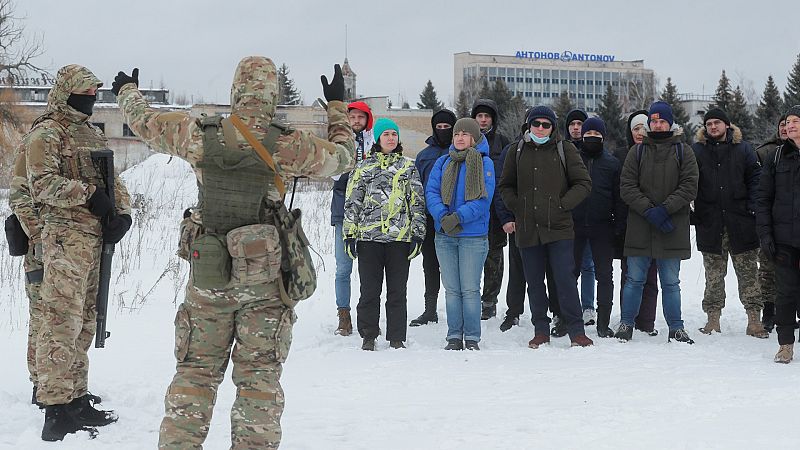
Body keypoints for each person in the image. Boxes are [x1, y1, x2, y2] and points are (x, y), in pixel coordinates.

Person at [113, 59, 355, 449]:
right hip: (265, 281)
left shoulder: (196, 133)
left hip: (209, 276)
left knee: (195, 372)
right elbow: (343, 158)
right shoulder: (289, 145)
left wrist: (128, 91)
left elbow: (144, 124)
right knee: (259, 377)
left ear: (235, 92)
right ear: (273, 95)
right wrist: (338, 107)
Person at [26, 64, 132, 441]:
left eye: (93, 93)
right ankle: (55, 409)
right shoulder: (47, 131)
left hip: (94, 239)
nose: (91, 98)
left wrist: (123, 213)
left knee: (87, 318)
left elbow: (113, 179)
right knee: (61, 322)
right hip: (64, 238)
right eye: (84, 92)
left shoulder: (90, 132)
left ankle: (76, 397)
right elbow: (41, 184)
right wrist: (88, 195)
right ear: (66, 92)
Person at [498, 105, 594, 349]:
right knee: (534, 282)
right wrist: (517, 206)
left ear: (553, 128)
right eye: (536, 123)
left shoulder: (565, 149)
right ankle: (540, 329)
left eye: (546, 124)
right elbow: (505, 185)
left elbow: (583, 183)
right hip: (528, 228)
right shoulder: (516, 150)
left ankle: (576, 331)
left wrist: (563, 205)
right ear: (528, 125)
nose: (541, 128)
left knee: (565, 279)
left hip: (559, 228)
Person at [616, 101, 698, 344]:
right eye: (654, 121)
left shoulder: (684, 151)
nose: (658, 125)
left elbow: (689, 186)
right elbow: (627, 187)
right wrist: (649, 210)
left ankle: (676, 328)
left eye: (662, 121)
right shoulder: (637, 152)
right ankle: (626, 323)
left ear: (670, 123)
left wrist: (665, 209)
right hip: (640, 226)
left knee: (671, 282)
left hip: (672, 227)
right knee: (634, 280)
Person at [343, 117, 426, 350]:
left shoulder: (408, 167)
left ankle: (396, 337)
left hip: (399, 239)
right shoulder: (363, 167)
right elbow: (352, 202)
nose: (390, 138)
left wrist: (417, 234)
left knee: (397, 291)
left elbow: (417, 202)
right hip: (369, 238)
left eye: (394, 134)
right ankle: (368, 335)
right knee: (369, 291)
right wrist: (349, 234)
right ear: (377, 139)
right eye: (386, 134)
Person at [692, 108, 767, 338]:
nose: (713, 127)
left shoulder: (743, 149)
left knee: (749, 274)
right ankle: (713, 319)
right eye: (709, 123)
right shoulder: (697, 151)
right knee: (713, 276)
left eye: (717, 122)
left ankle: (754, 320)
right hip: (710, 223)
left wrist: (752, 207)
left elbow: (756, 179)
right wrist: (695, 210)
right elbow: (689, 181)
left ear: (727, 124)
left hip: (741, 222)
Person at [426, 118, 494, 350]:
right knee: (452, 290)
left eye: (465, 134)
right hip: (445, 234)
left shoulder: (484, 162)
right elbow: (432, 192)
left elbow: (483, 200)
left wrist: (458, 217)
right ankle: (454, 336)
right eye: (457, 134)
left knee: (470, 289)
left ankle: (472, 337)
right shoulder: (443, 161)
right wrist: (443, 216)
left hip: (472, 236)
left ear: (474, 138)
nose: (460, 138)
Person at [756, 105, 800, 363]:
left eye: (796, 121)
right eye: (788, 121)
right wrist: (765, 234)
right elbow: (763, 199)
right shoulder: (775, 157)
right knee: (784, 294)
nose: (790, 125)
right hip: (783, 239)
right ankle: (785, 345)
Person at [571, 117, 622, 337]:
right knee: (569, 274)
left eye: (596, 135)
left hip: (603, 227)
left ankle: (603, 323)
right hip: (574, 225)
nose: (592, 138)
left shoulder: (612, 163)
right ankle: (567, 319)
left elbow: (619, 198)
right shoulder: (572, 160)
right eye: (588, 135)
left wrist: (618, 226)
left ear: (603, 137)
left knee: (604, 276)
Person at [614, 111, 660, 336]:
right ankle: (627, 320)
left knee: (651, 277)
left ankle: (647, 322)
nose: (640, 133)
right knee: (630, 276)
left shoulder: (659, 153)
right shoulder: (620, 155)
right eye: (635, 128)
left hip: (654, 222)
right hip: (627, 225)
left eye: (644, 128)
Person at [410, 109, 457, 326]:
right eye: (439, 127)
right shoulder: (424, 156)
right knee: (430, 265)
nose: (443, 130)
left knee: (454, 266)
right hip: (429, 218)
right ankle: (430, 309)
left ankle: (458, 309)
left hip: (455, 218)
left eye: (448, 127)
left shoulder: (462, 151)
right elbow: (416, 187)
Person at [331, 101, 374, 336]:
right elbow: (333, 174)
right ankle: (343, 315)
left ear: (367, 119)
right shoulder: (339, 142)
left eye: (360, 117)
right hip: (342, 210)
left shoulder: (374, 142)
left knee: (369, 269)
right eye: (353, 117)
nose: (356, 121)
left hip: (370, 213)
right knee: (343, 268)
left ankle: (368, 315)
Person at [8, 150, 44, 407]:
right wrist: (41, 236)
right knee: (42, 317)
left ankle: (67, 385)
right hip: (40, 252)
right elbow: (18, 196)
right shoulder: (35, 143)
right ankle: (40, 384)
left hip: (72, 249)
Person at [471, 99, 510, 319]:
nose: (483, 120)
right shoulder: (467, 140)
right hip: (471, 211)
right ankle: (470, 298)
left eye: (487, 116)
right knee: (471, 257)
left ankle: (489, 301)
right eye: (480, 116)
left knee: (494, 259)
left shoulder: (502, 142)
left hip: (496, 211)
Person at [495, 120, 531, 332]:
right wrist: (506, 218)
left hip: (549, 222)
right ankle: (513, 311)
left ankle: (555, 313)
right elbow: (502, 186)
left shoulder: (558, 149)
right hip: (519, 220)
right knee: (517, 270)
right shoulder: (512, 150)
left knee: (551, 270)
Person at [754, 113, 787, 332]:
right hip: (772, 219)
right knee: (767, 268)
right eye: (782, 124)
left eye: (790, 123)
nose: (785, 128)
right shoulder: (765, 152)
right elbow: (759, 188)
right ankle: (769, 310)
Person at [564, 109, 596, 325]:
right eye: (572, 124)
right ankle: (567, 307)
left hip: (588, 216)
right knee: (566, 266)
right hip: (566, 217)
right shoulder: (561, 149)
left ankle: (588, 307)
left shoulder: (592, 151)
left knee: (588, 264)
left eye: (580, 124)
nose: (576, 128)